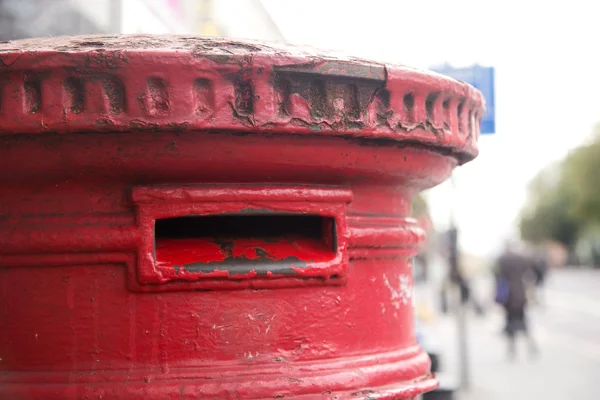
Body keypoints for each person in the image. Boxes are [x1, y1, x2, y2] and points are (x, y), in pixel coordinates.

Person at [494, 241, 538, 361]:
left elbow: (498, 278)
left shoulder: (502, 260)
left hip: (508, 297)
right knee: (523, 324)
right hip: (520, 296)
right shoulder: (521, 259)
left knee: (511, 325)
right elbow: (530, 272)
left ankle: (512, 351)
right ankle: (531, 348)